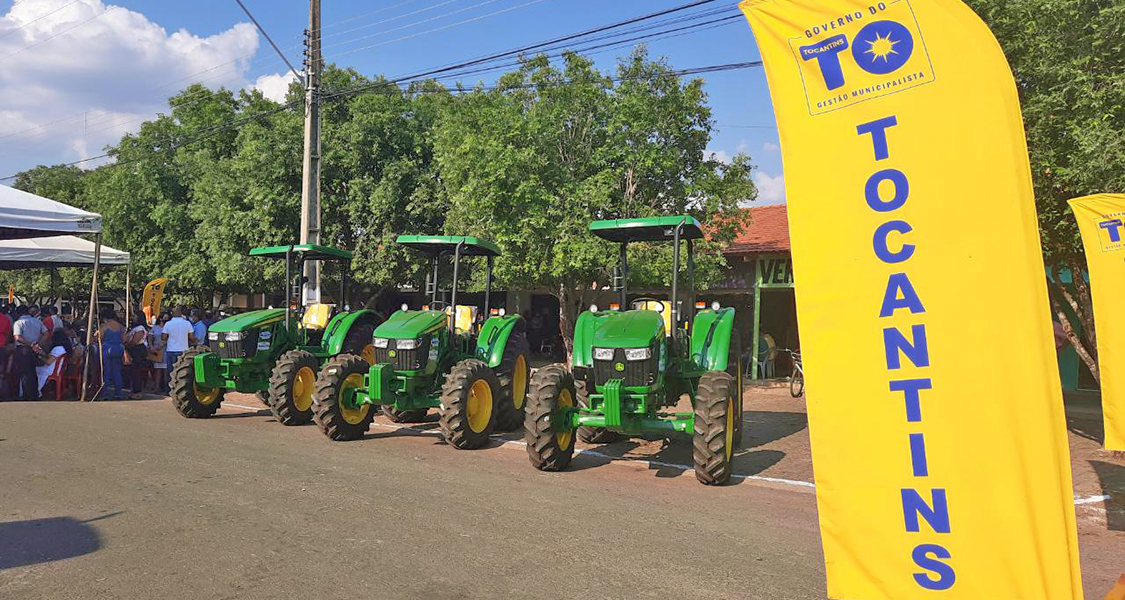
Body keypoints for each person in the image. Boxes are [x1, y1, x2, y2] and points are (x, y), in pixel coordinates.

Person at [12, 306, 46, 399]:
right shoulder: (37, 321)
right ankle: (34, 393)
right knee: (32, 371)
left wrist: (30, 344)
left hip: (23, 349)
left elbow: (18, 337)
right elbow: (46, 333)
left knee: (24, 372)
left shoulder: (18, 323)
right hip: (34, 349)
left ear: (18, 313)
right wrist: (38, 344)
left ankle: (26, 395)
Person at [96, 310, 127, 400]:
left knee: (106, 372)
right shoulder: (121, 327)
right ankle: (118, 393)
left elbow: (100, 338)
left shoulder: (105, 326)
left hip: (107, 348)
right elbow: (124, 339)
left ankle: (105, 394)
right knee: (117, 372)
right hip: (119, 349)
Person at [162, 307, 197, 383]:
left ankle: (168, 388)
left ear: (172, 314)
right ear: (181, 313)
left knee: (170, 371)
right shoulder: (187, 323)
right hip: (183, 350)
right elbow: (192, 337)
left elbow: (163, 338)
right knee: (182, 371)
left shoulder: (168, 324)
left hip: (171, 350)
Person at [36, 328, 72, 398]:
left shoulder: (58, 348)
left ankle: (35, 390)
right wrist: (41, 352)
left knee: (33, 370)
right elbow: (48, 356)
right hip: (58, 370)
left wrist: (39, 357)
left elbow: (48, 362)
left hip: (52, 370)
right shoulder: (63, 348)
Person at [123, 318, 149, 397]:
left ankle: (137, 392)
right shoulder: (134, 328)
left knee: (136, 371)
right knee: (132, 371)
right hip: (134, 349)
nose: (133, 318)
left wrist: (127, 345)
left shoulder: (140, 328)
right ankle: (134, 390)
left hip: (137, 350)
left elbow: (135, 341)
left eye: (135, 316)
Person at [150, 312, 169, 393]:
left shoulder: (168, 327)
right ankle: (157, 387)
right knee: (157, 370)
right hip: (156, 351)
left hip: (165, 350)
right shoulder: (155, 327)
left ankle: (166, 388)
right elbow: (150, 336)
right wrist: (151, 346)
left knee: (165, 370)